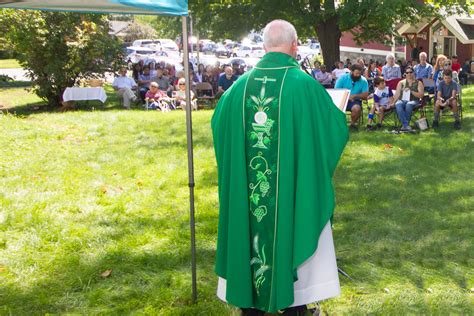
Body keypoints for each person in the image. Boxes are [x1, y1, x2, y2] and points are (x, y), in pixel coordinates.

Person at [212, 19, 348, 315]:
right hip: (289, 197)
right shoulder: (305, 87)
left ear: (264, 46)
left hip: (249, 200)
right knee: (288, 226)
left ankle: (251, 304)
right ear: (295, 45)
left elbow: (220, 129)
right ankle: (293, 303)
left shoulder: (237, 89)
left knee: (252, 233)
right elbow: (333, 129)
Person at [335, 63, 369, 130]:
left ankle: (352, 125)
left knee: (357, 109)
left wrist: (354, 96)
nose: (358, 75)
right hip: (342, 99)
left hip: (355, 100)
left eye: (360, 73)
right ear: (351, 71)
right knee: (334, 108)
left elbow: (365, 95)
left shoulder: (363, 81)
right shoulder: (342, 78)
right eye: (356, 73)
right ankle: (338, 125)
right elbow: (336, 91)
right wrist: (347, 96)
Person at [392, 66, 424, 131]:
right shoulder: (401, 83)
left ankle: (405, 125)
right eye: (407, 72)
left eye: (410, 72)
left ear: (413, 73)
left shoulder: (418, 83)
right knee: (398, 104)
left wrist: (411, 91)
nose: (409, 74)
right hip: (403, 100)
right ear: (405, 74)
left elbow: (421, 95)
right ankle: (406, 125)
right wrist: (393, 102)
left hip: (414, 100)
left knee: (409, 104)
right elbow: (397, 94)